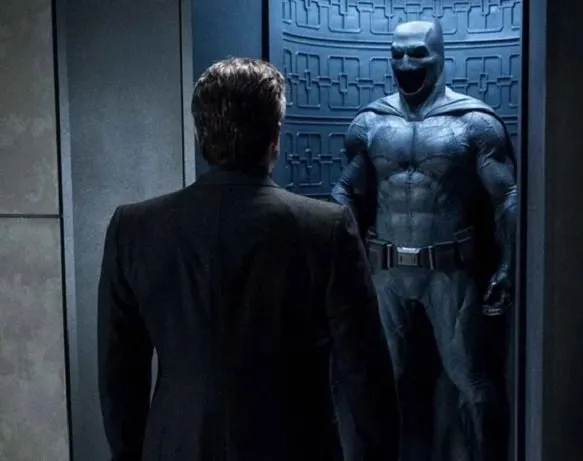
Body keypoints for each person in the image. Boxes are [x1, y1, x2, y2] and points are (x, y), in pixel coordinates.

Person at [97, 57, 399, 461]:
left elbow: (119, 376)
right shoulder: (326, 228)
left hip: (177, 445)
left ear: (200, 132)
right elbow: (364, 374)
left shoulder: (134, 228)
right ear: (275, 135)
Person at [331, 20, 518, 461]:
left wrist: (508, 264)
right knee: (375, 378)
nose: (405, 63)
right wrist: (340, 258)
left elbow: (507, 197)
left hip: (448, 270)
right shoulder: (370, 122)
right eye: (397, 54)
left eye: (417, 53)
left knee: (470, 379)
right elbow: (346, 191)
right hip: (385, 271)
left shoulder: (474, 122)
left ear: (440, 57)